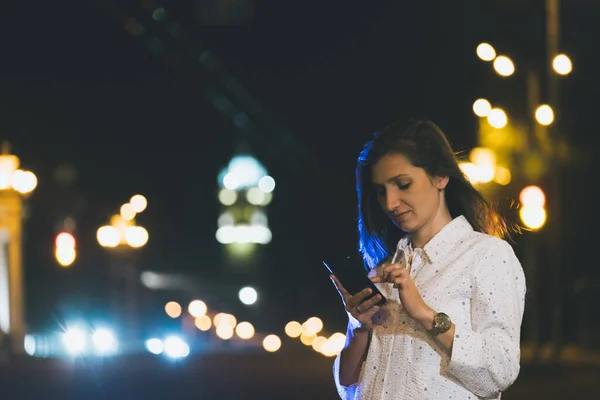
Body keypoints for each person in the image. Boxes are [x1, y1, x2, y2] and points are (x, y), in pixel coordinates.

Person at [330, 119, 526, 399]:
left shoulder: (487, 255)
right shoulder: (383, 270)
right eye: (380, 191)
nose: (390, 203)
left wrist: (425, 314)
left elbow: (500, 372)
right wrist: (359, 328)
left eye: (403, 184)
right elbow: (348, 386)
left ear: (440, 177)